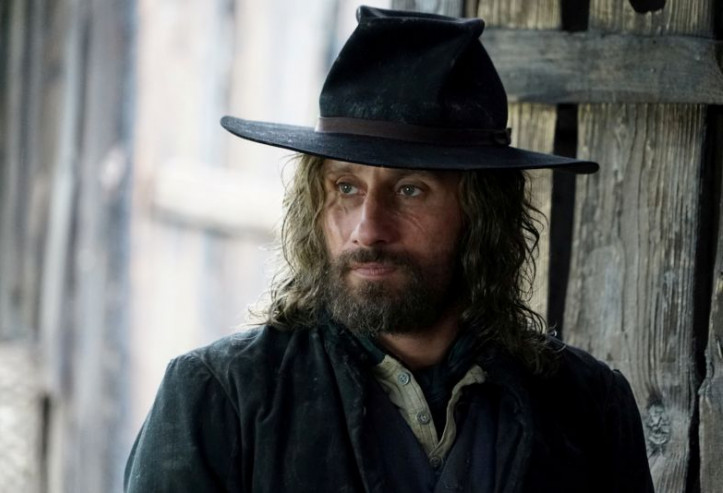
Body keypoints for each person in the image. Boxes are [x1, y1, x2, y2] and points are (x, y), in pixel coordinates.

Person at [125, 6, 654, 492]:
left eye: (410, 190)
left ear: (483, 214)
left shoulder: (585, 407)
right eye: (346, 187)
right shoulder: (220, 397)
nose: (368, 229)